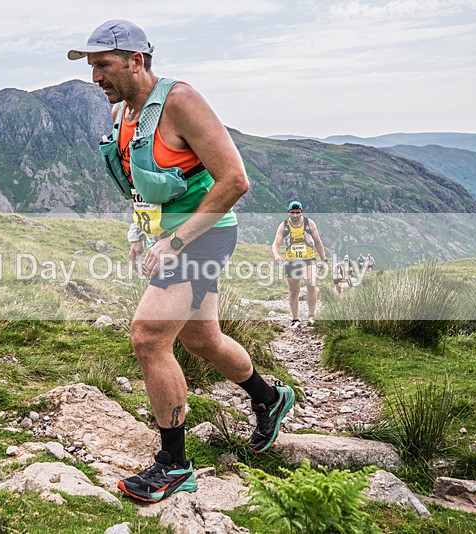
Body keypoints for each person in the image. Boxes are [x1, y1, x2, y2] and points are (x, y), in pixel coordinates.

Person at [68, 20, 295, 503]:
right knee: (202, 339)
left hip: (204, 236)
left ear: (136, 61)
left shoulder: (181, 102)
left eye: (103, 65)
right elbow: (142, 183)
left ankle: (174, 465)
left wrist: (174, 242)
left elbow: (234, 180)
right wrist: (140, 234)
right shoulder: (124, 113)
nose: (95, 78)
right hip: (168, 238)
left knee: (148, 336)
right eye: (92, 67)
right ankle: (269, 398)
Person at [271, 201, 327, 327]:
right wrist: (276, 255)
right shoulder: (284, 226)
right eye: (292, 213)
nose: (295, 215)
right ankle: (295, 319)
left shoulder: (309, 223)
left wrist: (323, 260)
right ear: (288, 212)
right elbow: (276, 243)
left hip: (309, 259)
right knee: (294, 291)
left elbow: (318, 242)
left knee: (311, 284)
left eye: (297, 213)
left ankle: (311, 316)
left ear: (301, 212)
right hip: (292, 261)